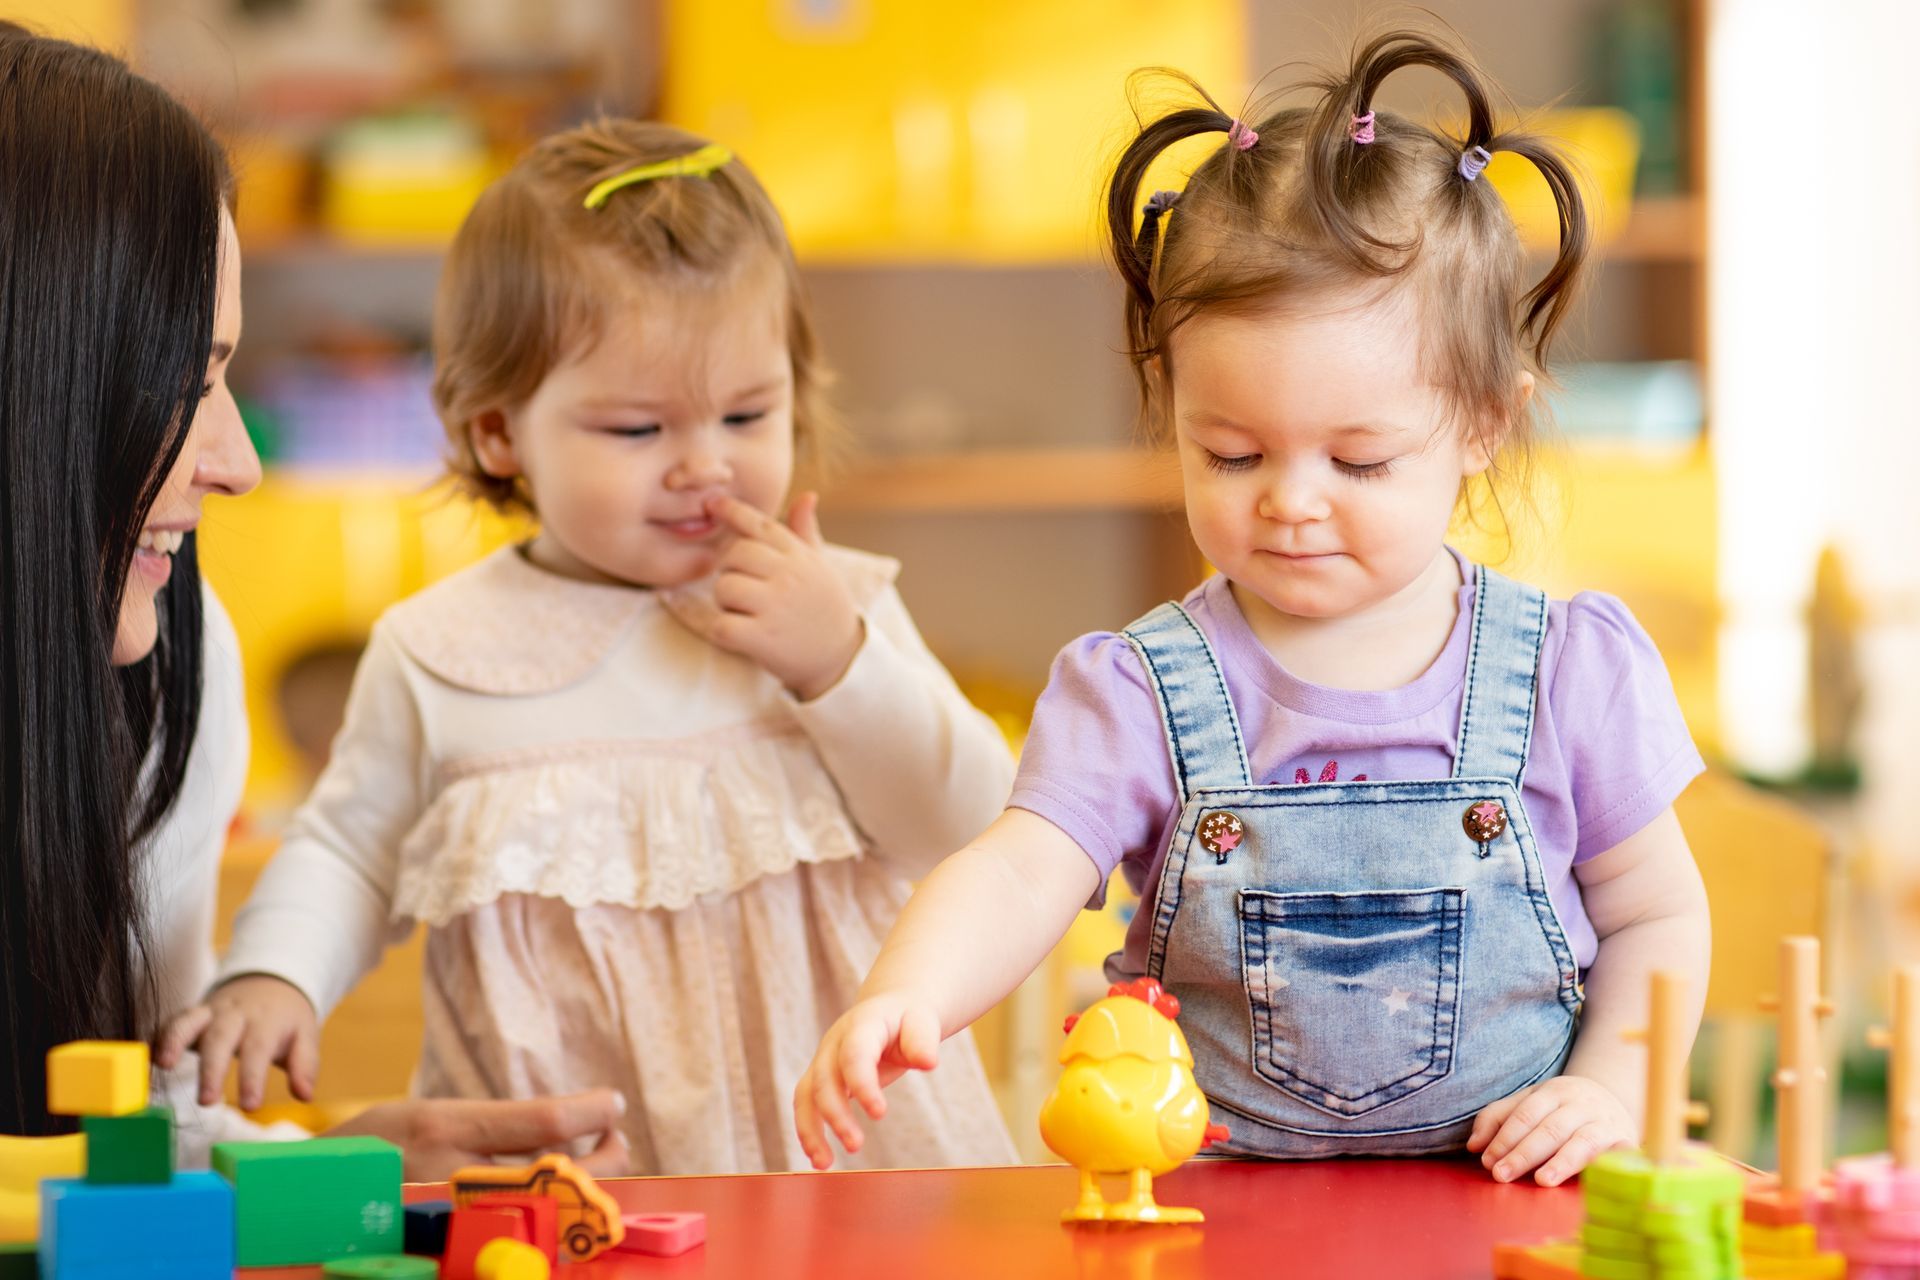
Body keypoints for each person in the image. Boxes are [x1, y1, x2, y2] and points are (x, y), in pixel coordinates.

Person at [795, 30, 1711, 1189]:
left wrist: (1610, 1089)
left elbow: (1658, 922)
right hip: (1218, 1207)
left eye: (1359, 460)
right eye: (1231, 453)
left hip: (1506, 1198)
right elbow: (1019, 871)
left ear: (1485, 421)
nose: (1290, 501)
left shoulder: (1565, 670)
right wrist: (905, 991)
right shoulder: (1137, 690)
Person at [163, 119, 1019, 1175]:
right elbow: (347, 850)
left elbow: (982, 827)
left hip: (835, 1165)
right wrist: (275, 974)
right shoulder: (442, 651)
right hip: (562, 1169)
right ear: (497, 432)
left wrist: (837, 663)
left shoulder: (832, 608)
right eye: (637, 430)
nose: (705, 466)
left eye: (748, 413)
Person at [0, 24, 626, 1178]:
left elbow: (115, 1141)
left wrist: (323, 1167)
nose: (239, 460)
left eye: (226, 373)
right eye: (181, 381)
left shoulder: (176, 665)